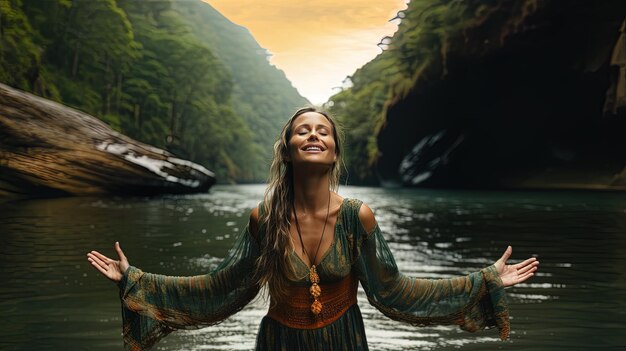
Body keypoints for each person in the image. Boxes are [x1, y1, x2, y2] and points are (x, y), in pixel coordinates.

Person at [87, 107, 539, 350]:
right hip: (280, 341)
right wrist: (135, 280)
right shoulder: (263, 219)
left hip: (344, 340)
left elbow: (395, 291)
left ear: (335, 152)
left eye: (323, 130)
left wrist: (486, 280)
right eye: (302, 130)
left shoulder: (357, 217)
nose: (313, 135)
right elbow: (222, 285)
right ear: (287, 150)